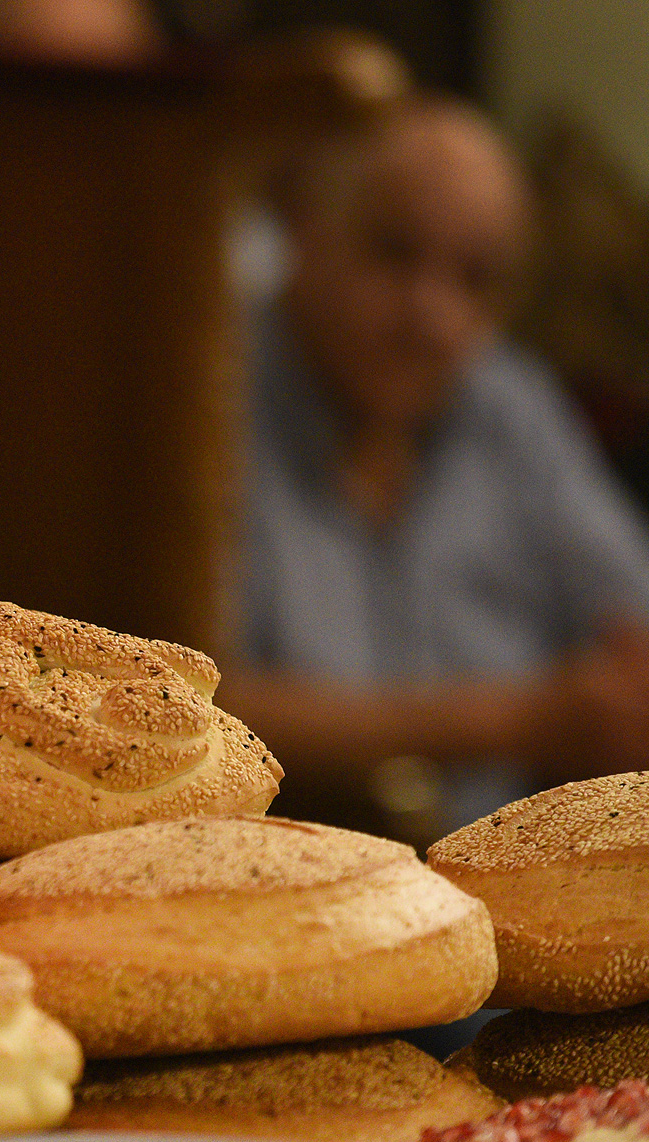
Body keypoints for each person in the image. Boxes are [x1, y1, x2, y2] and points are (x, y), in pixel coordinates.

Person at [220, 96, 649, 843]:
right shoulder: (204, 397)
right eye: (394, 251)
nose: (434, 314)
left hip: (508, 873)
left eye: (476, 279)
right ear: (305, 225)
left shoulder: (511, 404)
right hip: (273, 870)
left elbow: (631, 625)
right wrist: (515, 721)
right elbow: (197, 705)